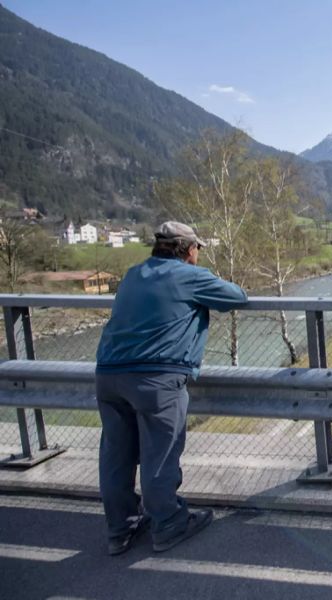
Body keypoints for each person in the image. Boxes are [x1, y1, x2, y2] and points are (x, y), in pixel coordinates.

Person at [95, 221, 248, 555]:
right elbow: (237, 297)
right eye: (197, 250)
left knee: (116, 455)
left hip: (108, 374)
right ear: (189, 250)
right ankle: (168, 524)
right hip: (156, 378)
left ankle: (119, 529)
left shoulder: (133, 274)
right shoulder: (189, 276)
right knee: (159, 455)